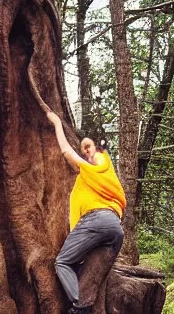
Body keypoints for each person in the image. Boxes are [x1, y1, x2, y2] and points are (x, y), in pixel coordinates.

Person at [47, 111, 126, 314]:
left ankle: (78, 306)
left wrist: (57, 123)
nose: (86, 151)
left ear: (99, 150)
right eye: (83, 149)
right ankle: (83, 305)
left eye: (89, 146)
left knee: (63, 262)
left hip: (97, 220)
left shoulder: (100, 163)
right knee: (88, 273)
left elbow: (66, 151)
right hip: (114, 230)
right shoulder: (94, 178)